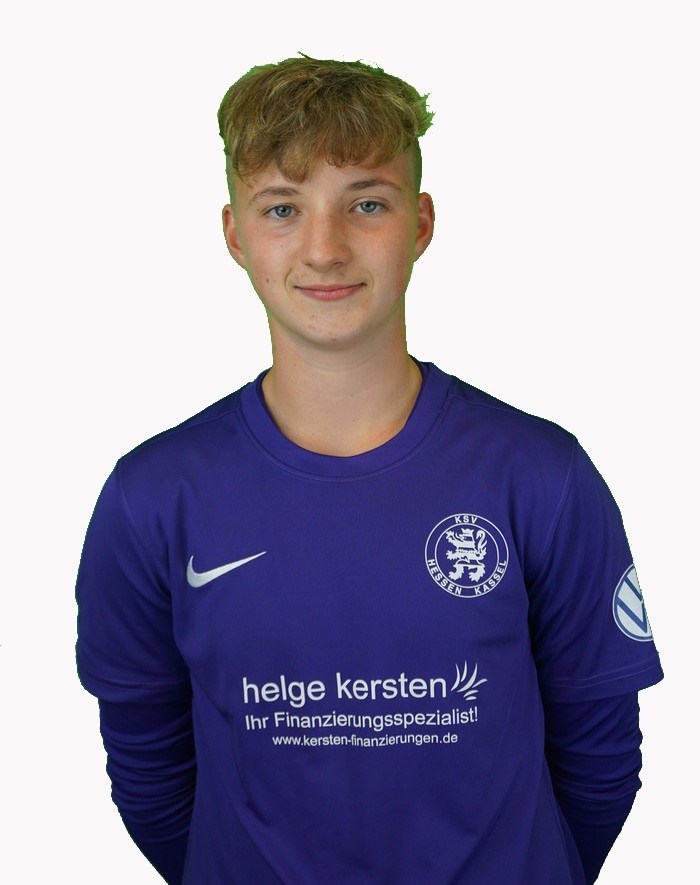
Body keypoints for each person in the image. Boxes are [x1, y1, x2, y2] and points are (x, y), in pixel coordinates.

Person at [75, 55, 663, 884]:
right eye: (284, 208)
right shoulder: (152, 498)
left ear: (420, 223)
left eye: (367, 203)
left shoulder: (542, 476)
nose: (325, 248)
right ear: (236, 234)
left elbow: (600, 760)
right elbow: (149, 769)